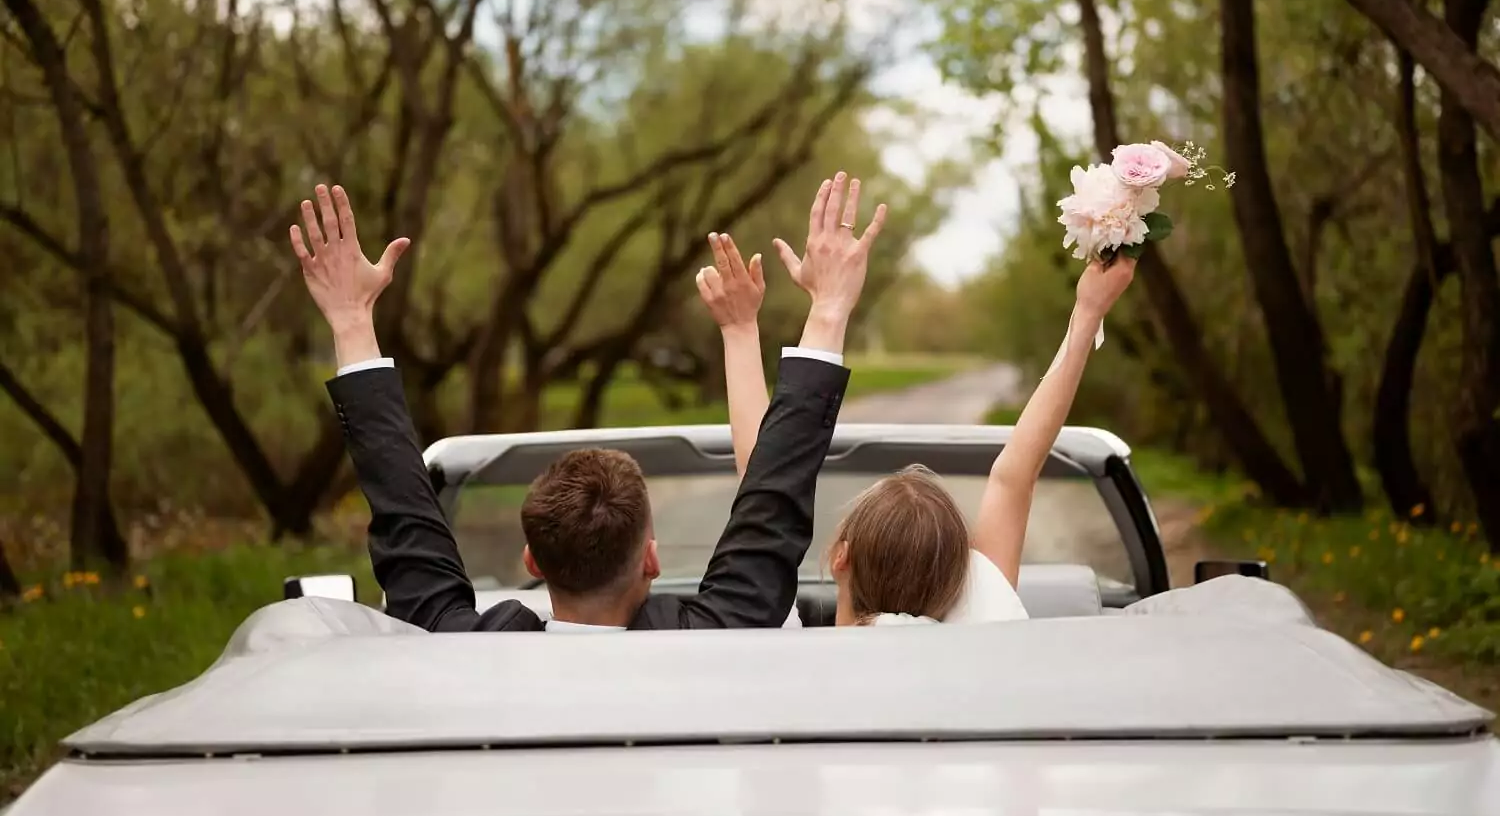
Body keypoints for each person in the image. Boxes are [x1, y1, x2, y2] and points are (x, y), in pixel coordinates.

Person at [289, 173, 885, 632]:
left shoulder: (455, 646)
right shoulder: (722, 634)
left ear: (532, 560)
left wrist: (349, 320)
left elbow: (403, 508)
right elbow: (772, 496)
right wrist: (829, 308)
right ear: (651, 559)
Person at [697, 233, 1136, 626]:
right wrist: (1089, 311)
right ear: (964, 575)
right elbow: (1014, 475)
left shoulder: (773, 640)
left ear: (839, 558)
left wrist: (739, 330)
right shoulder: (988, 633)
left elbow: (763, 477)